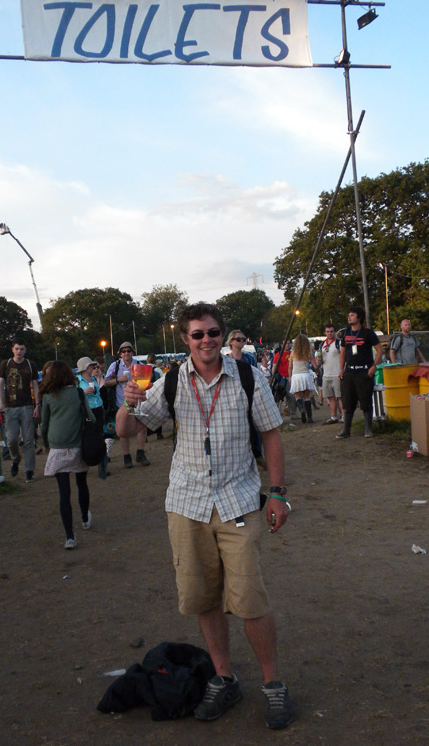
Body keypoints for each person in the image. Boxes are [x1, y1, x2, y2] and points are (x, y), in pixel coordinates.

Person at [116, 302, 293, 730]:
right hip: (188, 503)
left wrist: (277, 493)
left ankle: (272, 684)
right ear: (185, 339)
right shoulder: (171, 380)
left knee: (250, 598)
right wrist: (128, 403)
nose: (207, 340)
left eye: (213, 332)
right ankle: (224, 676)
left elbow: (271, 435)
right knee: (203, 597)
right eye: (197, 335)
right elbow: (126, 430)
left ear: (223, 334)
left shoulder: (248, 376)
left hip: (239, 500)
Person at [41, 360, 95, 550]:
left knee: (64, 493)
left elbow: (44, 425)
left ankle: (69, 537)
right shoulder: (78, 393)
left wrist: (46, 443)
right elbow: (92, 417)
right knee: (82, 484)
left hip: (57, 446)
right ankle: (84, 517)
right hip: (78, 445)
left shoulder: (48, 396)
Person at [0, 339, 40, 482]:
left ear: (25, 350)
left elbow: (35, 385)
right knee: (11, 440)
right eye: (17, 349)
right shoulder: (6, 364)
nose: (19, 351)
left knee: (28, 440)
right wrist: (1, 403)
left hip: (27, 406)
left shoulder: (30, 365)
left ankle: (29, 470)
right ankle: (16, 459)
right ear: (12, 350)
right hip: (10, 407)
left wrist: (37, 405)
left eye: (21, 349)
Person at [337, 307, 383, 440]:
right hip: (349, 371)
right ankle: (346, 429)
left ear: (359, 318)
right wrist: (341, 369)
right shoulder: (346, 332)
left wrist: (374, 366)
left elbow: (379, 350)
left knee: (366, 401)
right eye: (349, 315)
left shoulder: (368, 333)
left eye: (352, 315)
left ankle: (368, 429)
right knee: (348, 402)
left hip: (364, 371)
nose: (349, 317)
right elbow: (343, 352)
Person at [104, 341, 150, 469]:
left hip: (138, 402)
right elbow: (106, 383)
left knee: (142, 427)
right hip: (121, 403)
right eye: (123, 351)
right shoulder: (115, 365)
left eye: (128, 351)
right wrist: (118, 380)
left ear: (132, 352)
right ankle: (126, 457)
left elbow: (147, 383)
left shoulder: (139, 364)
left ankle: (140, 453)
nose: (126, 353)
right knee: (123, 432)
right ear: (120, 353)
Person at [76, 356, 109, 479]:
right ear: (85, 367)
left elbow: (99, 393)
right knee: (87, 438)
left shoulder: (94, 378)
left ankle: (103, 467)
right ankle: (85, 464)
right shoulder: (77, 381)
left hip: (98, 409)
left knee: (100, 437)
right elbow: (75, 397)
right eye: (91, 366)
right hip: (86, 411)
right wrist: (84, 393)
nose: (94, 367)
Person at [289, 334, 318, 424]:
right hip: (305, 375)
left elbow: (290, 367)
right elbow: (315, 366)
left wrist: (289, 377)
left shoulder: (293, 353)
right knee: (307, 397)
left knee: (297, 397)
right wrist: (318, 372)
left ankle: (301, 409)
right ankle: (309, 417)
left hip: (296, 376)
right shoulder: (308, 352)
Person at [318, 324, 344, 425]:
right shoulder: (321, 345)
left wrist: (342, 370)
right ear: (325, 332)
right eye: (328, 331)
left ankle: (344, 416)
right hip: (326, 374)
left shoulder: (339, 343)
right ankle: (333, 417)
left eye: (331, 331)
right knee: (330, 397)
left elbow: (344, 356)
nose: (329, 333)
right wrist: (319, 361)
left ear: (334, 332)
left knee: (340, 396)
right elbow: (319, 360)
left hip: (337, 374)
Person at [271, 341, 298, 421]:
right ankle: (277, 416)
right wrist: (274, 377)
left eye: (288, 343)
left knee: (292, 397)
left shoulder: (292, 353)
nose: (287, 345)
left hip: (292, 377)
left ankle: (293, 414)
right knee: (278, 397)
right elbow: (274, 367)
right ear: (282, 345)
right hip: (282, 379)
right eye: (285, 343)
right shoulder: (278, 355)